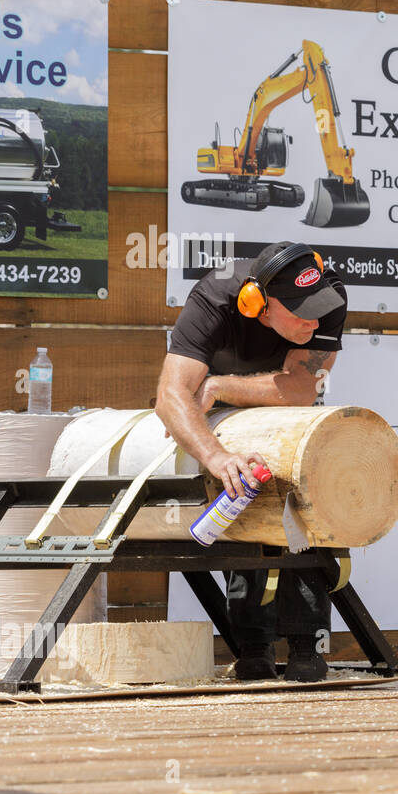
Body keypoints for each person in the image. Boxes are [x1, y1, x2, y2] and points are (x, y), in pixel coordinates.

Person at [156, 241, 347, 682]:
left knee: (303, 509)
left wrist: (220, 386)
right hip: (222, 420)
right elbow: (170, 395)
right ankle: (253, 650)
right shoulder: (215, 297)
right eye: (300, 311)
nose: (315, 320)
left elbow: (302, 389)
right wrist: (217, 457)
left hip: (265, 403)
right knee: (243, 511)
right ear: (256, 305)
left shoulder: (329, 295)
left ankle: (307, 647)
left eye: (317, 307)